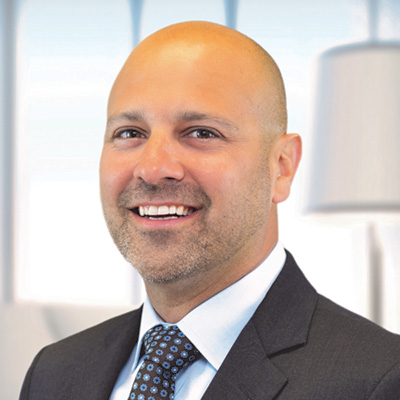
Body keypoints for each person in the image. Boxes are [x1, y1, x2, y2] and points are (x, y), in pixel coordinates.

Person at [20, 21, 400, 400]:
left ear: (282, 167)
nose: (152, 168)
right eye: (130, 133)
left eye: (201, 133)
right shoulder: (54, 374)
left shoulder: (378, 381)